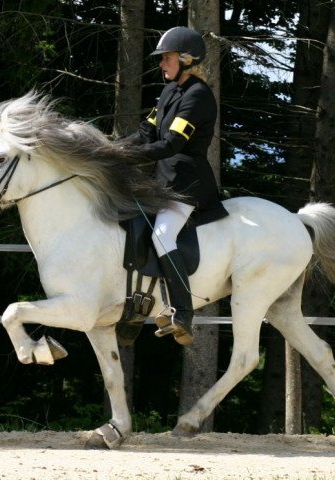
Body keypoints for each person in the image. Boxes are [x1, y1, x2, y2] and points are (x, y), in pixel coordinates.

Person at [128, 26, 227, 345]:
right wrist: (109, 149)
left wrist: (126, 158)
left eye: (166, 58)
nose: (161, 64)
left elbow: (171, 144)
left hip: (186, 182)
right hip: (161, 179)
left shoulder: (198, 96)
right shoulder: (170, 92)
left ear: (186, 59)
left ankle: (183, 313)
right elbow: (147, 133)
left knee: (162, 234)